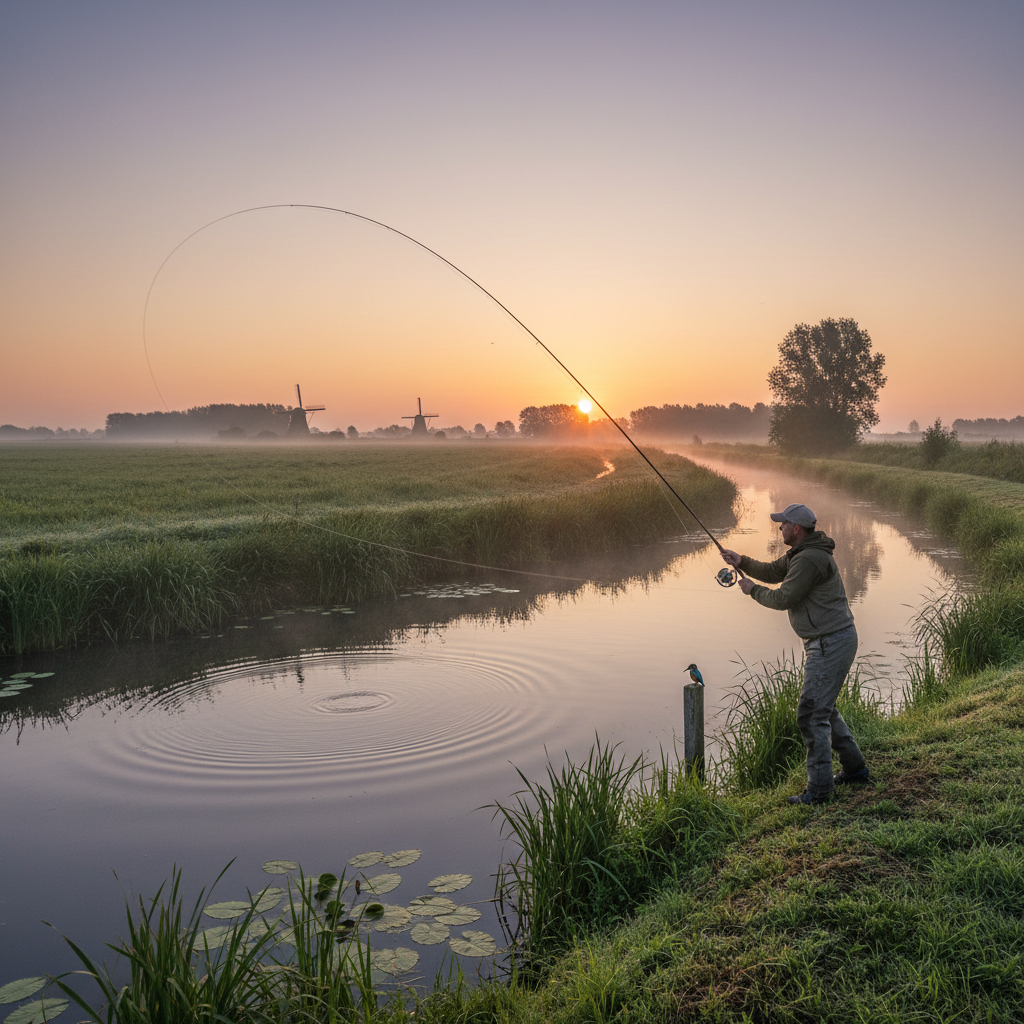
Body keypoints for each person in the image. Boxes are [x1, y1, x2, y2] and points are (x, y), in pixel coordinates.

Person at [720, 503, 870, 805]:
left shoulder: (809, 559)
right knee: (823, 710)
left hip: (830, 642)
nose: (780, 528)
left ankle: (820, 791)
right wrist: (742, 561)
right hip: (828, 640)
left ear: (796, 529)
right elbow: (774, 572)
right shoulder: (801, 554)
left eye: (783, 524)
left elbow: (783, 597)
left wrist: (752, 590)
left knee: (811, 714)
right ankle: (854, 770)